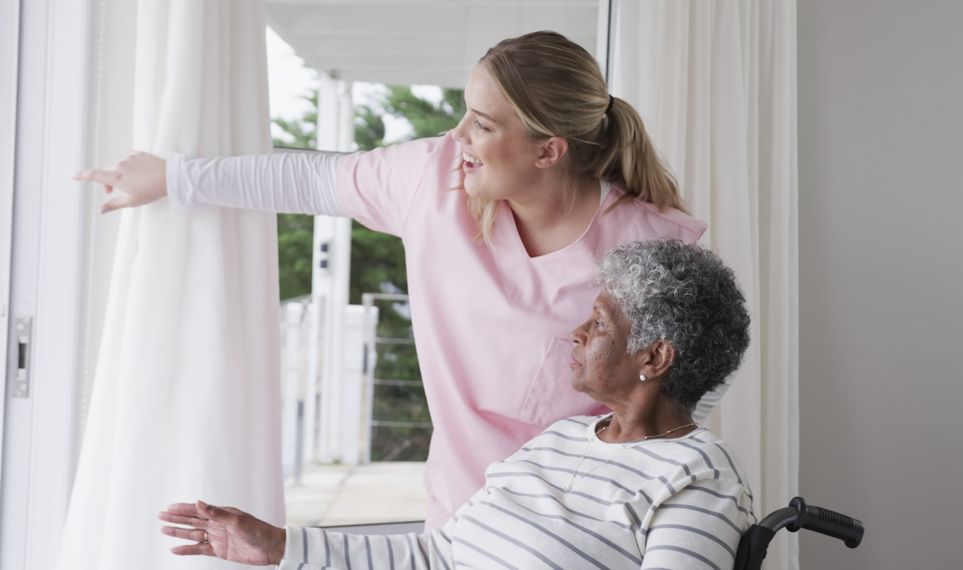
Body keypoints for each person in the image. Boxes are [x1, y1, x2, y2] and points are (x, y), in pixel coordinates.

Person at [76, 31, 713, 527]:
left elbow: (683, 400)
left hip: (583, 525)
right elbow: (308, 178)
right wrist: (173, 177)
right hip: (459, 519)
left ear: (549, 151)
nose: (458, 136)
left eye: (483, 126)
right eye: (465, 113)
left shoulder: (645, 245)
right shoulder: (432, 182)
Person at [160, 239, 754, 569]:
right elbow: (439, 556)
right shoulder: (560, 440)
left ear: (654, 358)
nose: (574, 334)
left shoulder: (696, 478)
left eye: (597, 324)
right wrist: (282, 546)